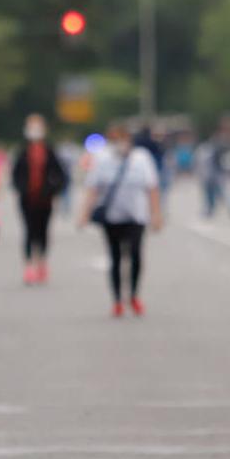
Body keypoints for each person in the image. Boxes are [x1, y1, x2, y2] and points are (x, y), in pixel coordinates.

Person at [80, 123, 163, 317]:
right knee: (115, 258)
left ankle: (133, 295)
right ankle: (117, 299)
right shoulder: (102, 160)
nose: (120, 144)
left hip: (136, 216)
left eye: (123, 140)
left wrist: (156, 214)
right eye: (116, 140)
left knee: (135, 254)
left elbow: (152, 188)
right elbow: (93, 188)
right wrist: (84, 213)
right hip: (112, 217)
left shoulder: (141, 159)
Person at [11, 114, 68, 285]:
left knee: (43, 231)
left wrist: (52, 189)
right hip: (27, 199)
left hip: (45, 199)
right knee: (29, 231)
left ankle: (41, 262)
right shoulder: (22, 150)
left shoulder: (49, 150)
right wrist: (22, 188)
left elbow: (60, 174)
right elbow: (16, 174)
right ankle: (29, 265)